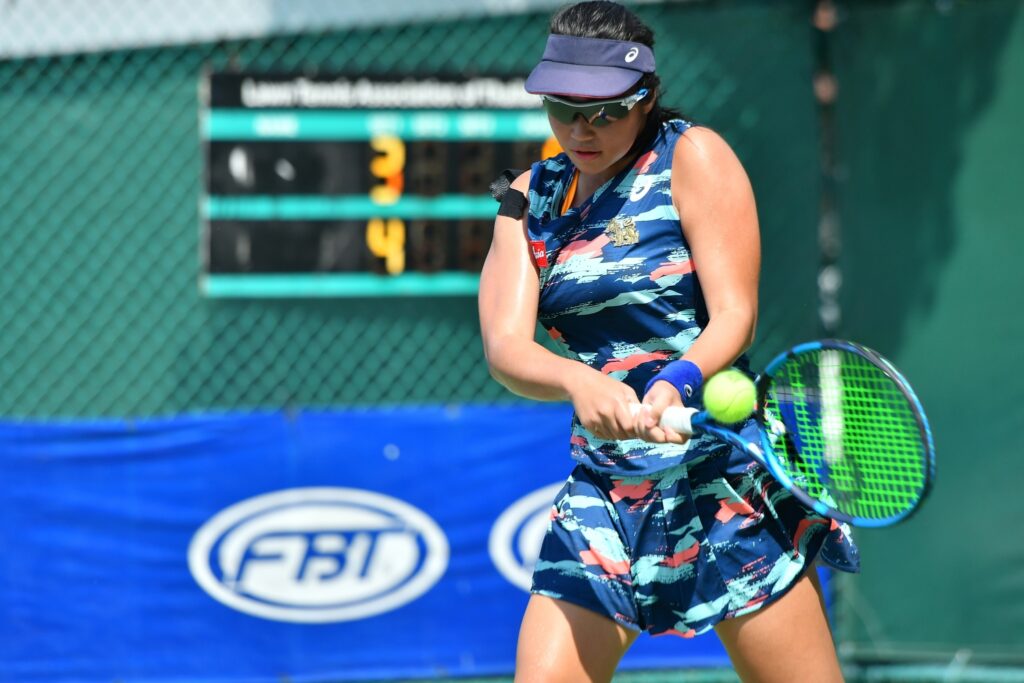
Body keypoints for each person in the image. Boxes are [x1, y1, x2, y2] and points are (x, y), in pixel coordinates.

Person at [478, 2, 859, 681]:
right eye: (563, 108)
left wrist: (675, 382)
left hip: (722, 479)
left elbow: (735, 314)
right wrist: (578, 380)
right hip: (605, 493)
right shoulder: (528, 199)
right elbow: (506, 346)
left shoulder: (694, 157)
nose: (581, 129)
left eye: (605, 111)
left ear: (646, 96)